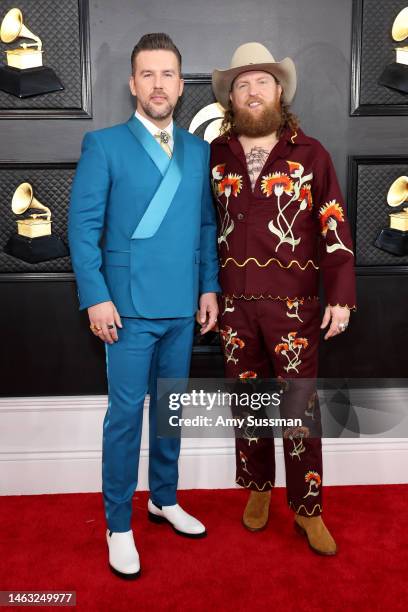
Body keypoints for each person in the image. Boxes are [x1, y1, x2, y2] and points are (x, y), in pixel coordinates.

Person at [68, 33, 219, 579]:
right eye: (148, 74)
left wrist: (208, 287)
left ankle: (163, 498)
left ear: (181, 86)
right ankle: (117, 524)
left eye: (168, 75)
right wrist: (97, 297)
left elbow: (205, 226)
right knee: (126, 417)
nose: (158, 84)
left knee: (170, 412)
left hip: (182, 305)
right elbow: (82, 231)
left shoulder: (200, 152)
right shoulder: (104, 145)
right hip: (126, 310)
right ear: (133, 83)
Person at [210, 42, 356, 555]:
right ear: (232, 97)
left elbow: (333, 224)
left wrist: (340, 295)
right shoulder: (215, 155)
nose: (253, 91)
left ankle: (307, 507)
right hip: (234, 308)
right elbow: (205, 229)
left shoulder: (311, 154)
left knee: (300, 411)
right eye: (242, 84)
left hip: (295, 310)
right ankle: (257, 490)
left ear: (279, 91)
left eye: (262, 82)